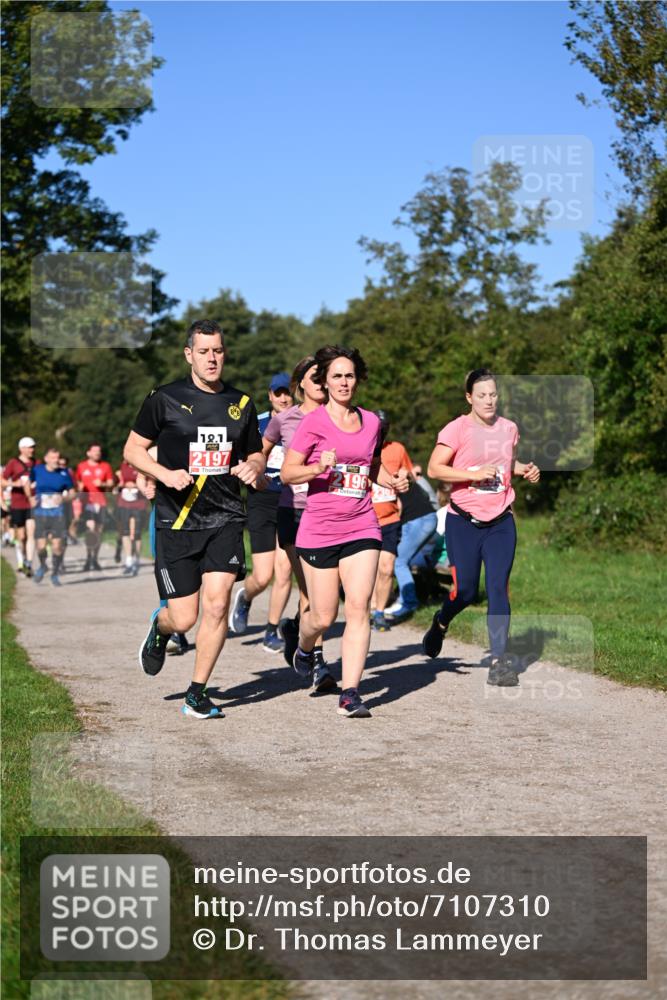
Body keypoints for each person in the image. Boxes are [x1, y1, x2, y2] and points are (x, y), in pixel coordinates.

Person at [123, 318, 266, 719]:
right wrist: (164, 474)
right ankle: (161, 628)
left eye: (218, 351)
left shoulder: (241, 403)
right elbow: (133, 449)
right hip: (177, 520)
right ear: (189, 355)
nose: (211, 358)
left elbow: (256, 452)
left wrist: (254, 466)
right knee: (184, 616)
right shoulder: (164, 399)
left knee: (217, 605)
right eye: (203, 351)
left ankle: (197, 693)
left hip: (224, 518)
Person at [281, 345, 409, 718]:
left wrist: (392, 481)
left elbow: (368, 469)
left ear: (358, 379)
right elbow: (289, 473)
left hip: (362, 523)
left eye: (349, 375)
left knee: (358, 608)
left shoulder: (371, 422)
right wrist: (318, 466)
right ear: (325, 380)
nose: (343, 382)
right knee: (323, 617)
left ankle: (351, 692)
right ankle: (304, 646)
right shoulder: (313, 423)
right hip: (319, 528)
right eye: (336, 375)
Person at [421, 368, 540, 686]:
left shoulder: (509, 428)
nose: (489, 400)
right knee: (467, 591)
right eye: (482, 395)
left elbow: (503, 464)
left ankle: (500, 662)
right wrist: (472, 475)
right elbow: (435, 468)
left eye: (493, 394)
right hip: (464, 521)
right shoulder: (457, 429)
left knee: (499, 588)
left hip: (501, 521)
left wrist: (523, 468)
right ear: (469, 398)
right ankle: (441, 621)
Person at [263, 356, 336, 691]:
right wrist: (256, 475)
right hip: (292, 510)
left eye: (325, 376)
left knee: (318, 590)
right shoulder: (285, 419)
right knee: (309, 585)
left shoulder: (339, 417)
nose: (322, 381)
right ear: (300, 384)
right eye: (314, 376)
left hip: (329, 510)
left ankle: (295, 628)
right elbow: (259, 453)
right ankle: (319, 663)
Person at [228, 372, 294, 653]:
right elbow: (244, 457)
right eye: (277, 393)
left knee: (284, 571)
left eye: (286, 392)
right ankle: (245, 596)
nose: (282, 398)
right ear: (269, 395)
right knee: (264, 575)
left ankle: (271, 629)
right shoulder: (259, 423)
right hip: (262, 500)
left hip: (291, 500)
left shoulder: (304, 423)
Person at [369, 410, 412, 632]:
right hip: (365, 519)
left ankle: (378, 614)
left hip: (390, 519)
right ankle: (364, 607)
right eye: (378, 426)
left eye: (384, 426)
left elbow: (409, 472)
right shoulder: (362, 446)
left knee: (385, 569)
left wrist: (405, 478)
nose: (381, 430)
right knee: (368, 571)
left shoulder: (397, 449)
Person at [384, 476, 438, 622]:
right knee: (402, 560)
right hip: (426, 517)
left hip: (418, 520)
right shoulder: (401, 476)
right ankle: (402, 598)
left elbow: (398, 507)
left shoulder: (386, 478)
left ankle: (408, 602)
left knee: (398, 561)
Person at [28, 447, 75, 586]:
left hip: (58, 514)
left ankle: (54, 573)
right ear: (46, 458)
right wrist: (30, 497)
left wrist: (64, 499)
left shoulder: (64, 473)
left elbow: (73, 493)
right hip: (40, 513)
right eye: (53, 458)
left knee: (57, 546)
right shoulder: (37, 470)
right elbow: (27, 483)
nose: (56, 460)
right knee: (41, 546)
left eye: (58, 457)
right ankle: (43, 565)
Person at [75, 444, 114, 571]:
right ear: (88, 453)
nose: (98, 453)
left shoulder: (105, 466)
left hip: (101, 503)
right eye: (95, 451)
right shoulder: (81, 466)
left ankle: (95, 559)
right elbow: (77, 483)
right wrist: (79, 489)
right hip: (87, 503)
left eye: (99, 451)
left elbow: (111, 483)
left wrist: (102, 484)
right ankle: (88, 558)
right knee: (91, 530)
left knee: (99, 531)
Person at [2, 436, 37, 576]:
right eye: (29, 447)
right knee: (21, 536)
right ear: (21, 449)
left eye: (33, 447)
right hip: (17, 503)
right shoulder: (13, 463)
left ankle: (29, 562)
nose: (32, 450)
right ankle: (21, 560)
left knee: (31, 533)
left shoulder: (37, 463)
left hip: (32, 503)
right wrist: (14, 484)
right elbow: (2, 481)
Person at [116, 458, 148, 576]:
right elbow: (119, 482)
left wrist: (136, 484)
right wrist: (123, 484)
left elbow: (148, 480)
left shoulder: (142, 463)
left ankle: (137, 560)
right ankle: (129, 560)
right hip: (124, 502)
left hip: (139, 503)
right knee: (125, 532)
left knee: (136, 533)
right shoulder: (123, 465)